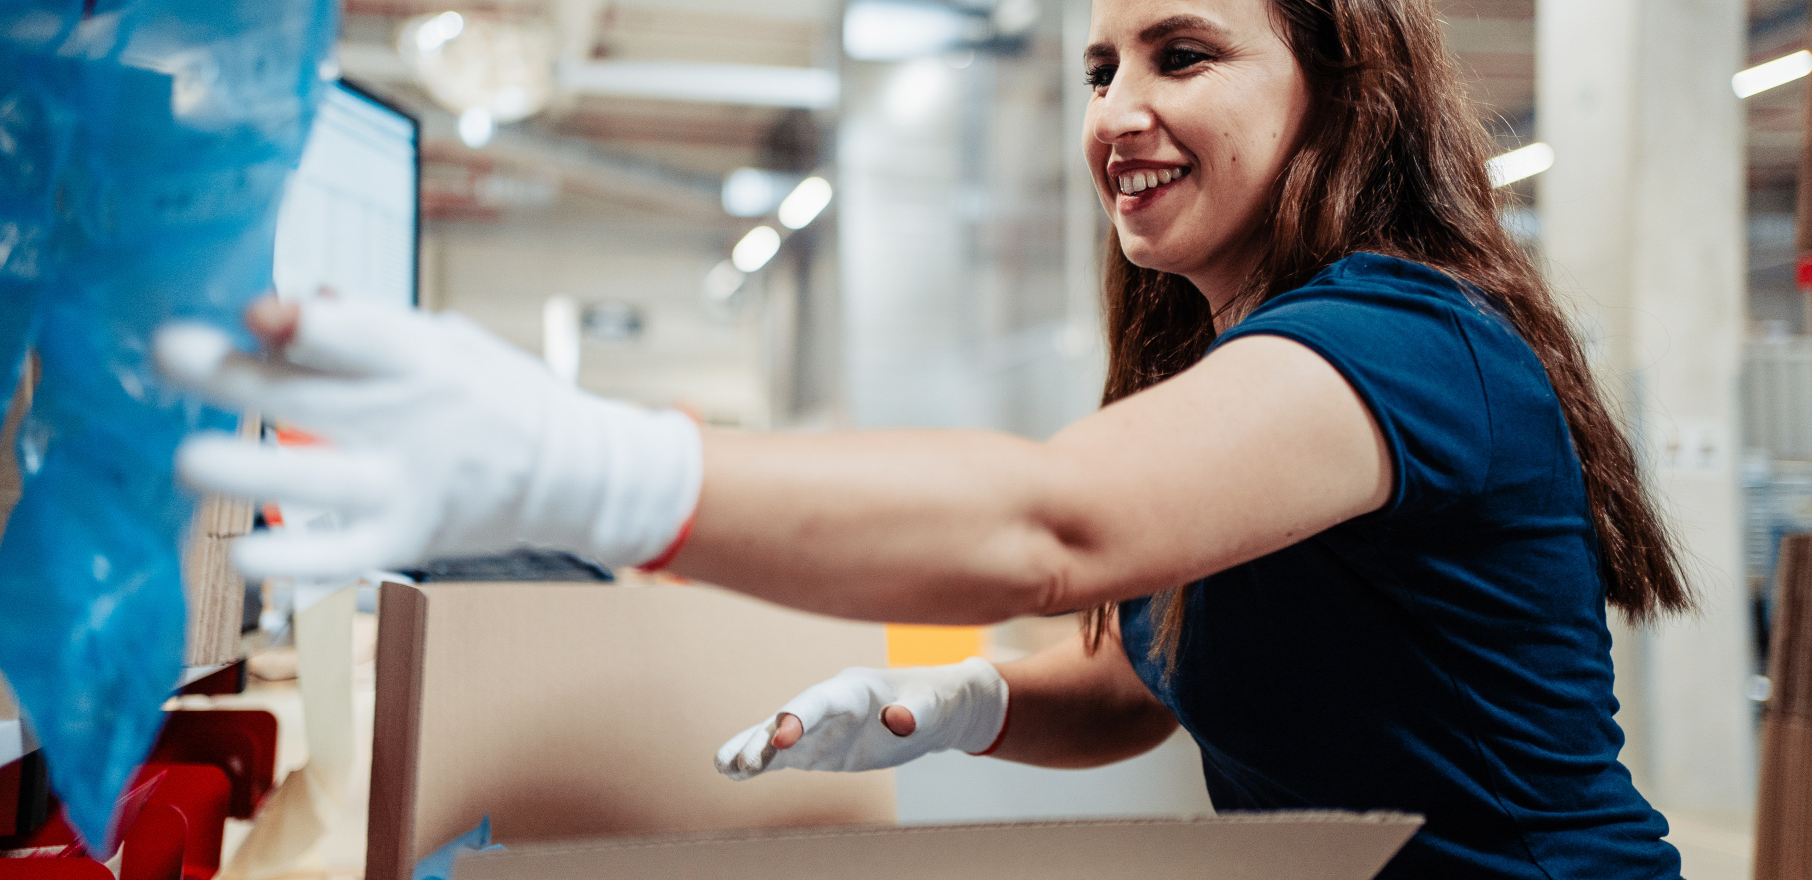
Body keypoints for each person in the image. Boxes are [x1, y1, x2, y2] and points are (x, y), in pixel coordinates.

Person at [153, 0, 1693, 876]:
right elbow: (1132, 672)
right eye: (1101, 68)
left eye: (1183, 53)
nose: (1118, 110)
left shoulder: (1407, 347)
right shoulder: (1237, 361)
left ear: (1340, 91)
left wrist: (583, 467)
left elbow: (1056, 528)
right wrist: (962, 702)